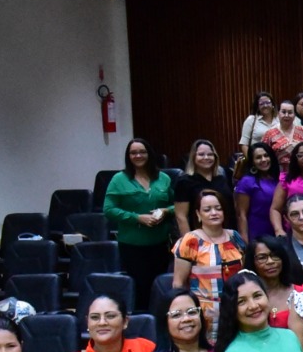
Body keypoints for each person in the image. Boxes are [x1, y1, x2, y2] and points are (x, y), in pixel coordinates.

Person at [172, 188, 247, 339]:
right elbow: (178, 284)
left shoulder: (235, 237)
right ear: (199, 215)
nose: (214, 213)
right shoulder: (190, 241)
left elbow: (245, 274)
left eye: (218, 208)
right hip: (205, 314)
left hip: (236, 309)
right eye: (207, 209)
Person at [105, 138, 174, 301]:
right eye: (133, 152)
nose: (138, 155)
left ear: (149, 154)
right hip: (132, 246)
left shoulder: (163, 178)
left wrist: (165, 210)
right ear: (128, 156)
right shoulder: (119, 179)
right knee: (139, 291)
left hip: (160, 245)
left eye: (142, 152)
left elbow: (177, 205)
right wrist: (137, 218)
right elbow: (108, 209)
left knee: (160, 289)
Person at [173, 139, 233, 235]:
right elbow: (181, 216)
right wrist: (189, 242)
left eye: (210, 154)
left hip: (226, 233)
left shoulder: (222, 178)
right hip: (200, 236)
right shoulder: (184, 182)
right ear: (193, 157)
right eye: (201, 154)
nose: (206, 157)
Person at [235, 143, 285, 242]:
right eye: (258, 157)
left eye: (266, 156)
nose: (263, 160)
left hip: (279, 231)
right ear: (252, 162)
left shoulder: (279, 179)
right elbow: (241, 214)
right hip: (257, 233)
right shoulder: (247, 181)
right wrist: (244, 241)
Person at [259, 100, 303, 165]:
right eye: (283, 112)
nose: (286, 115)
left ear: (294, 115)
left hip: (301, 172)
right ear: (278, 114)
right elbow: (263, 154)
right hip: (277, 172)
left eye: (290, 112)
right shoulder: (269, 134)